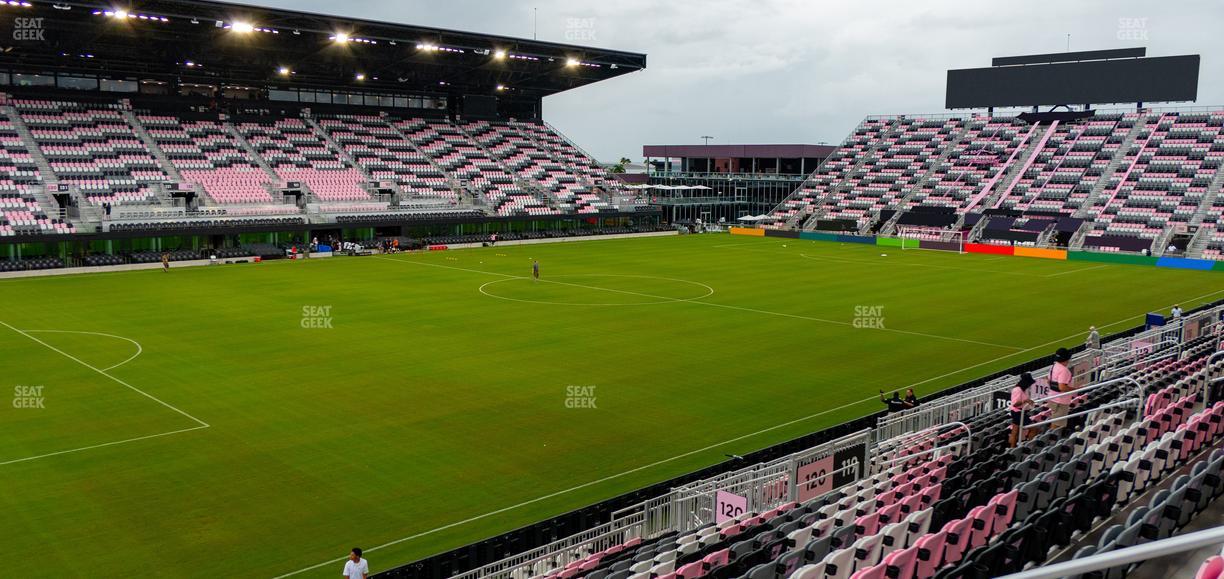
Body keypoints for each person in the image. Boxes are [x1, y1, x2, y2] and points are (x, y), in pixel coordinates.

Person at [1047, 348, 1075, 431]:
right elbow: (1062, 387)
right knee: (1057, 425)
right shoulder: (1064, 370)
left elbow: (1049, 381)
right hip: (1060, 401)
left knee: (1055, 423)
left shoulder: (1053, 366)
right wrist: (1074, 389)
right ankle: (1051, 442)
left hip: (1052, 398)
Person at [1009, 373, 1036, 447]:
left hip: (1018, 412)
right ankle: (1029, 446)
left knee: (1015, 431)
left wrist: (1028, 401)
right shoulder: (1017, 390)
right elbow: (1015, 404)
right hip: (1017, 412)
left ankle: (1012, 448)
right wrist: (1026, 401)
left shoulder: (1022, 389)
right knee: (1033, 429)